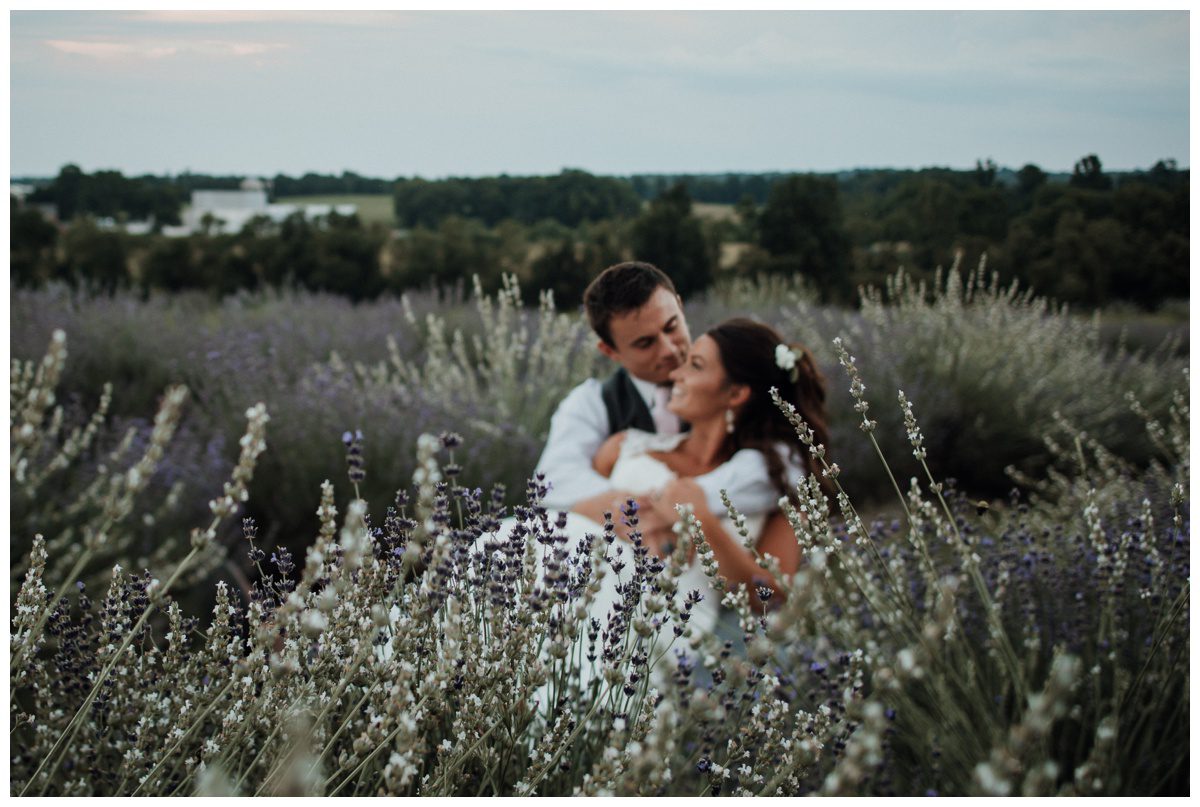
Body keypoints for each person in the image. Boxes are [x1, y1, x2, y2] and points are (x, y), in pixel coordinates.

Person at [535, 261, 793, 540]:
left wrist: (682, 505)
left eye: (671, 327)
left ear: (680, 307)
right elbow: (554, 480)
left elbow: (787, 467)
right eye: (645, 343)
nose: (669, 350)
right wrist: (634, 510)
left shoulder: (739, 376)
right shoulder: (591, 403)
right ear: (610, 351)